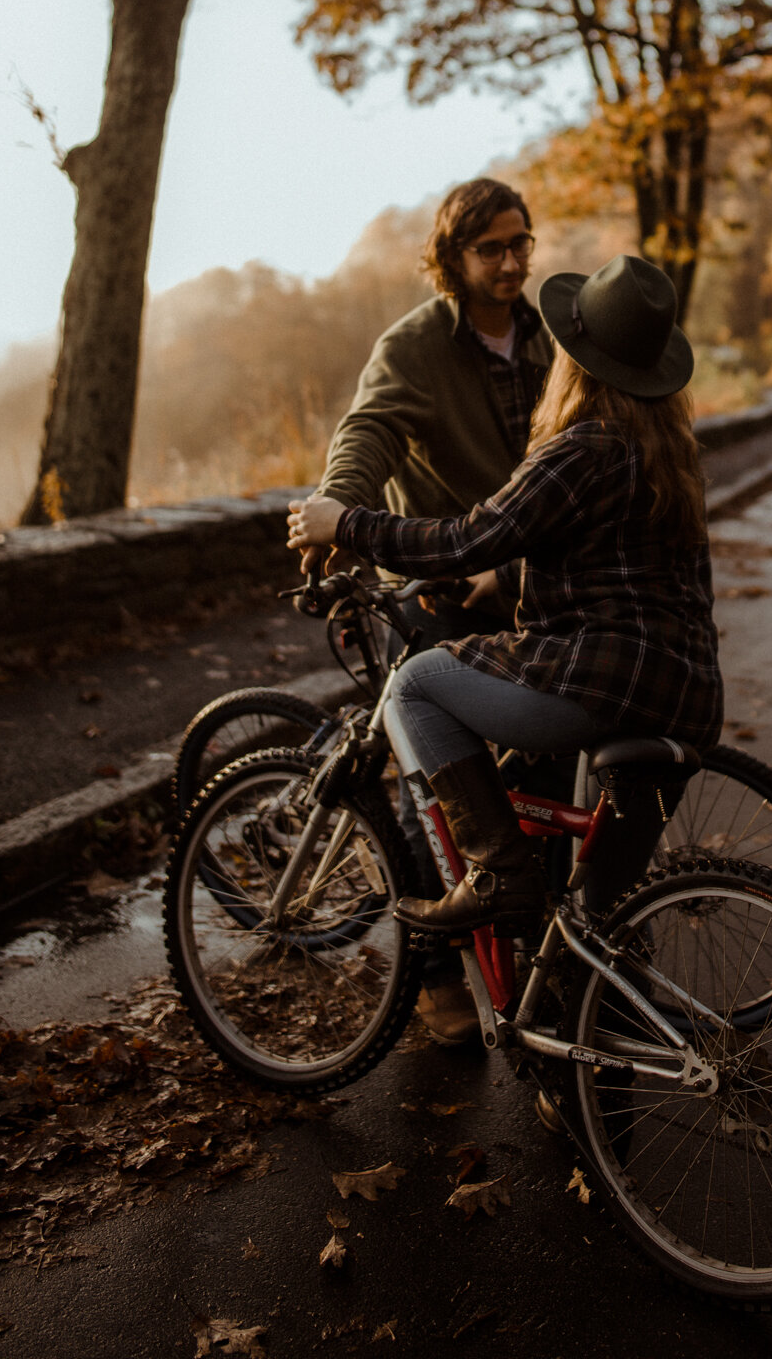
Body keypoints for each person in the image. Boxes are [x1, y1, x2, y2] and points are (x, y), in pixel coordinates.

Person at [287, 253, 723, 940]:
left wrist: (346, 523)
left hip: (604, 684)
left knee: (416, 684)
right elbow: (625, 565)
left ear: (573, 361)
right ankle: (617, 1031)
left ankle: (496, 873)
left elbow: (469, 536)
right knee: (598, 922)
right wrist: (506, 580)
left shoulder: (583, 447)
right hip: (686, 697)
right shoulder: (670, 452)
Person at [301, 177, 553, 1041]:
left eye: (521, 242)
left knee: (537, 766)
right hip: (442, 577)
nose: (512, 261)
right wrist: (338, 514)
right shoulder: (415, 344)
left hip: (529, 576)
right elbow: (366, 432)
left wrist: (517, 564)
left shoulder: (551, 337)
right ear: (452, 260)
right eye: (492, 248)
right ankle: (436, 975)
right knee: (430, 778)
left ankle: (544, 953)